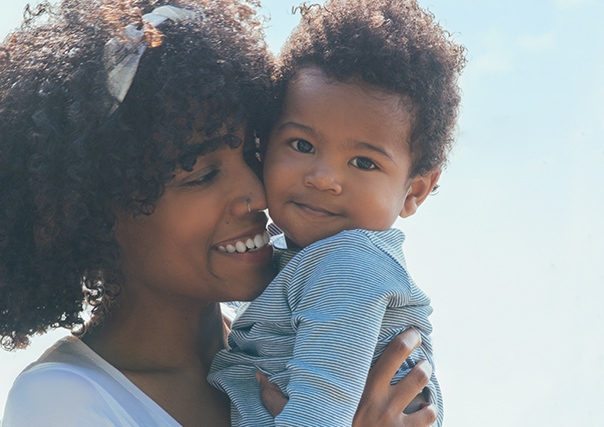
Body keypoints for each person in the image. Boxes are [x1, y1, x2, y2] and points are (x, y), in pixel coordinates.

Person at [0, 0, 439, 426]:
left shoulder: (296, 344)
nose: (257, 194)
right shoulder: (62, 401)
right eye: (204, 175)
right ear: (95, 210)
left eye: (252, 154)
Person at [208, 1, 466, 426]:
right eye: (302, 145)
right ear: (263, 144)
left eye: (364, 162)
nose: (324, 178)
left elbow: (319, 415)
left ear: (414, 190)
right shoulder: (286, 257)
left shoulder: (347, 265)